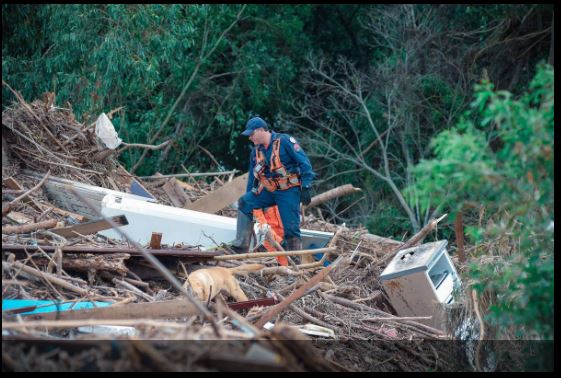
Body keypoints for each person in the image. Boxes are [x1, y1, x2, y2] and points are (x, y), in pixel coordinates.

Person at [231, 116, 315, 254]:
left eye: (252, 134)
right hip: (269, 191)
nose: (250, 138)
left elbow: (305, 164)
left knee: (291, 228)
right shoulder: (255, 152)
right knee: (245, 202)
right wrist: (250, 196)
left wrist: (306, 187)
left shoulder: (285, 142)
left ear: (261, 130)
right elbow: (253, 178)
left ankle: (294, 263)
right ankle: (240, 248)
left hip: (288, 190)